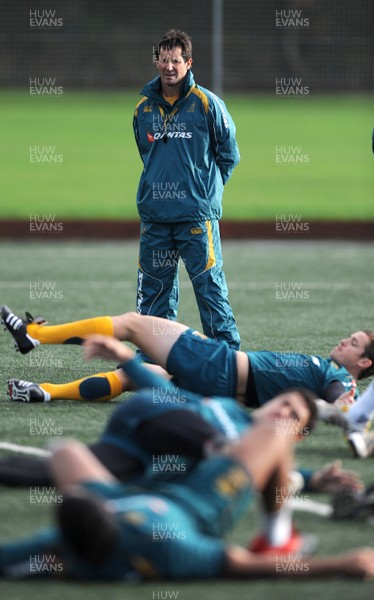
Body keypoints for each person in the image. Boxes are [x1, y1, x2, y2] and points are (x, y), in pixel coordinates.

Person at [1, 372, 374, 580]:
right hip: (200, 503)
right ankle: (277, 536)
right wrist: (341, 565)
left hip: (132, 487)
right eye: (285, 405)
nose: (284, 410)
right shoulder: (166, 548)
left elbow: (25, 558)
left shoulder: (66, 543)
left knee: (64, 449)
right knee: (272, 435)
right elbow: (243, 565)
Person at [0, 335, 362, 505]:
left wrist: (314, 480)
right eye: (284, 403)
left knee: (50, 467)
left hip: (136, 452)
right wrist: (127, 360)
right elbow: (178, 398)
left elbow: (268, 474)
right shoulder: (232, 411)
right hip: (145, 427)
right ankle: (48, 389)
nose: (282, 410)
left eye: (292, 416)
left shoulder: (244, 438)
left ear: (294, 435)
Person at [2, 305, 374, 409]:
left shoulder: (339, 379)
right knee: (134, 377)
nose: (344, 341)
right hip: (218, 390)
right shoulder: (333, 375)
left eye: (353, 343)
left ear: (365, 363)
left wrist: (348, 413)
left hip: (219, 365)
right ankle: (45, 391)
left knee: (132, 325)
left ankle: (33, 335)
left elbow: (345, 408)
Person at [133, 29, 240, 349]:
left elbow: (229, 153)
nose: (169, 67)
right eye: (164, 60)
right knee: (153, 290)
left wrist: (207, 192)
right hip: (156, 216)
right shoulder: (143, 109)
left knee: (209, 287)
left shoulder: (207, 103)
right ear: (156, 62)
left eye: (176, 61)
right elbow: (147, 154)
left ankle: (226, 353)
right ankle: (153, 354)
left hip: (196, 216)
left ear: (188, 63)